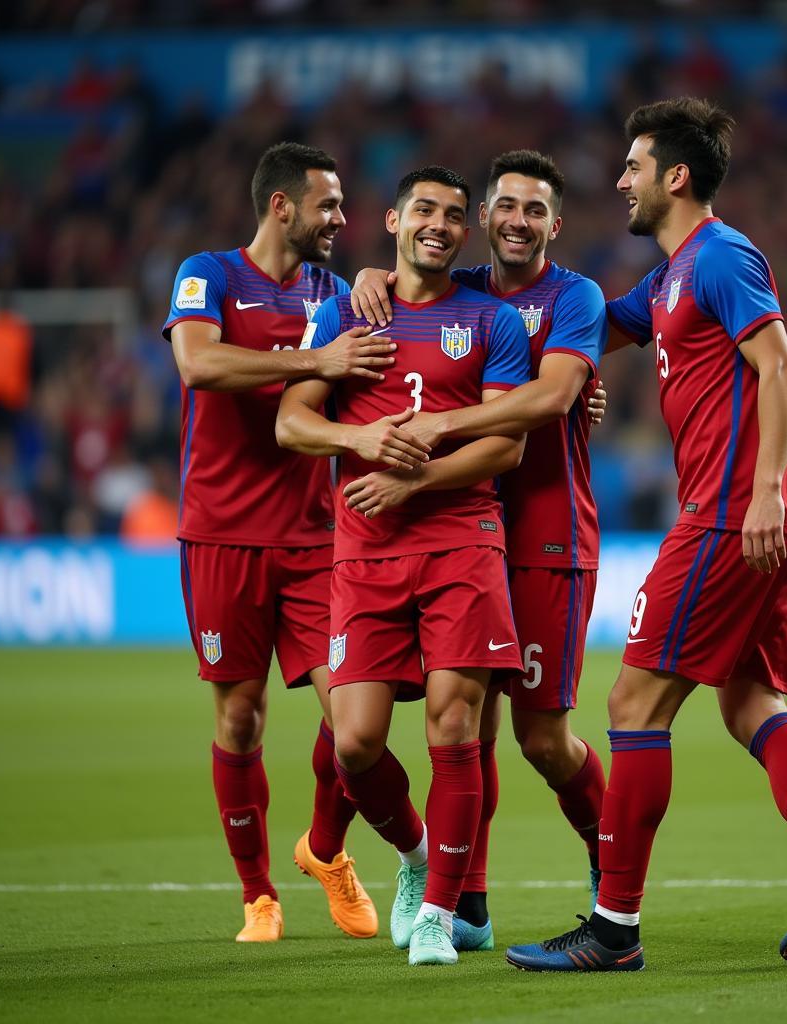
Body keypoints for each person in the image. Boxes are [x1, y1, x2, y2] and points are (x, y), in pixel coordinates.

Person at [506, 98, 787, 973]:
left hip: (732, 515)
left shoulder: (721, 254)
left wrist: (766, 493)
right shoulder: (669, 279)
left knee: (633, 706)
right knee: (750, 704)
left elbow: (780, 366)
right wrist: (453, 298)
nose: (620, 180)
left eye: (633, 166)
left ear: (675, 176)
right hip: (760, 517)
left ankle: (614, 929)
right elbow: (598, 324)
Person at [346, 150, 608, 953]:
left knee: (539, 739)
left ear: (555, 225)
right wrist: (368, 272)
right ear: (482, 219)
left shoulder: (574, 295)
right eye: (506, 207)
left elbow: (556, 394)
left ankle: (614, 867)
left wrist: (433, 432)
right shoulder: (454, 296)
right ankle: (467, 905)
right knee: (468, 735)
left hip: (546, 536)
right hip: (465, 534)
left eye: (536, 210)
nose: (518, 221)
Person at [163, 141, 418, 943]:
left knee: (353, 722)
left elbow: (397, 360)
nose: (341, 218)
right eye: (328, 205)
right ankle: (258, 896)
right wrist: (315, 358)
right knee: (240, 718)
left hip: (317, 539)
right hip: (223, 535)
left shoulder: (337, 292)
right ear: (281, 206)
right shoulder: (207, 274)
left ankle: (327, 851)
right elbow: (197, 365)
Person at [275, 166, 531, 966]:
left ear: (468, 231)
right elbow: (290, 421)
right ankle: (417, 859)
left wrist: (413, 472)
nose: (441, 225)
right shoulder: (339, 315)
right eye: (425, 209)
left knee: (454, 728)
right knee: (353, 743)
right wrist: (357, 442)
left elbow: (507, 443)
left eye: (456, 216)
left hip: (463, 539)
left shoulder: (491, 321)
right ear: (390, 219)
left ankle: (440, 917)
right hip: (365, 553)